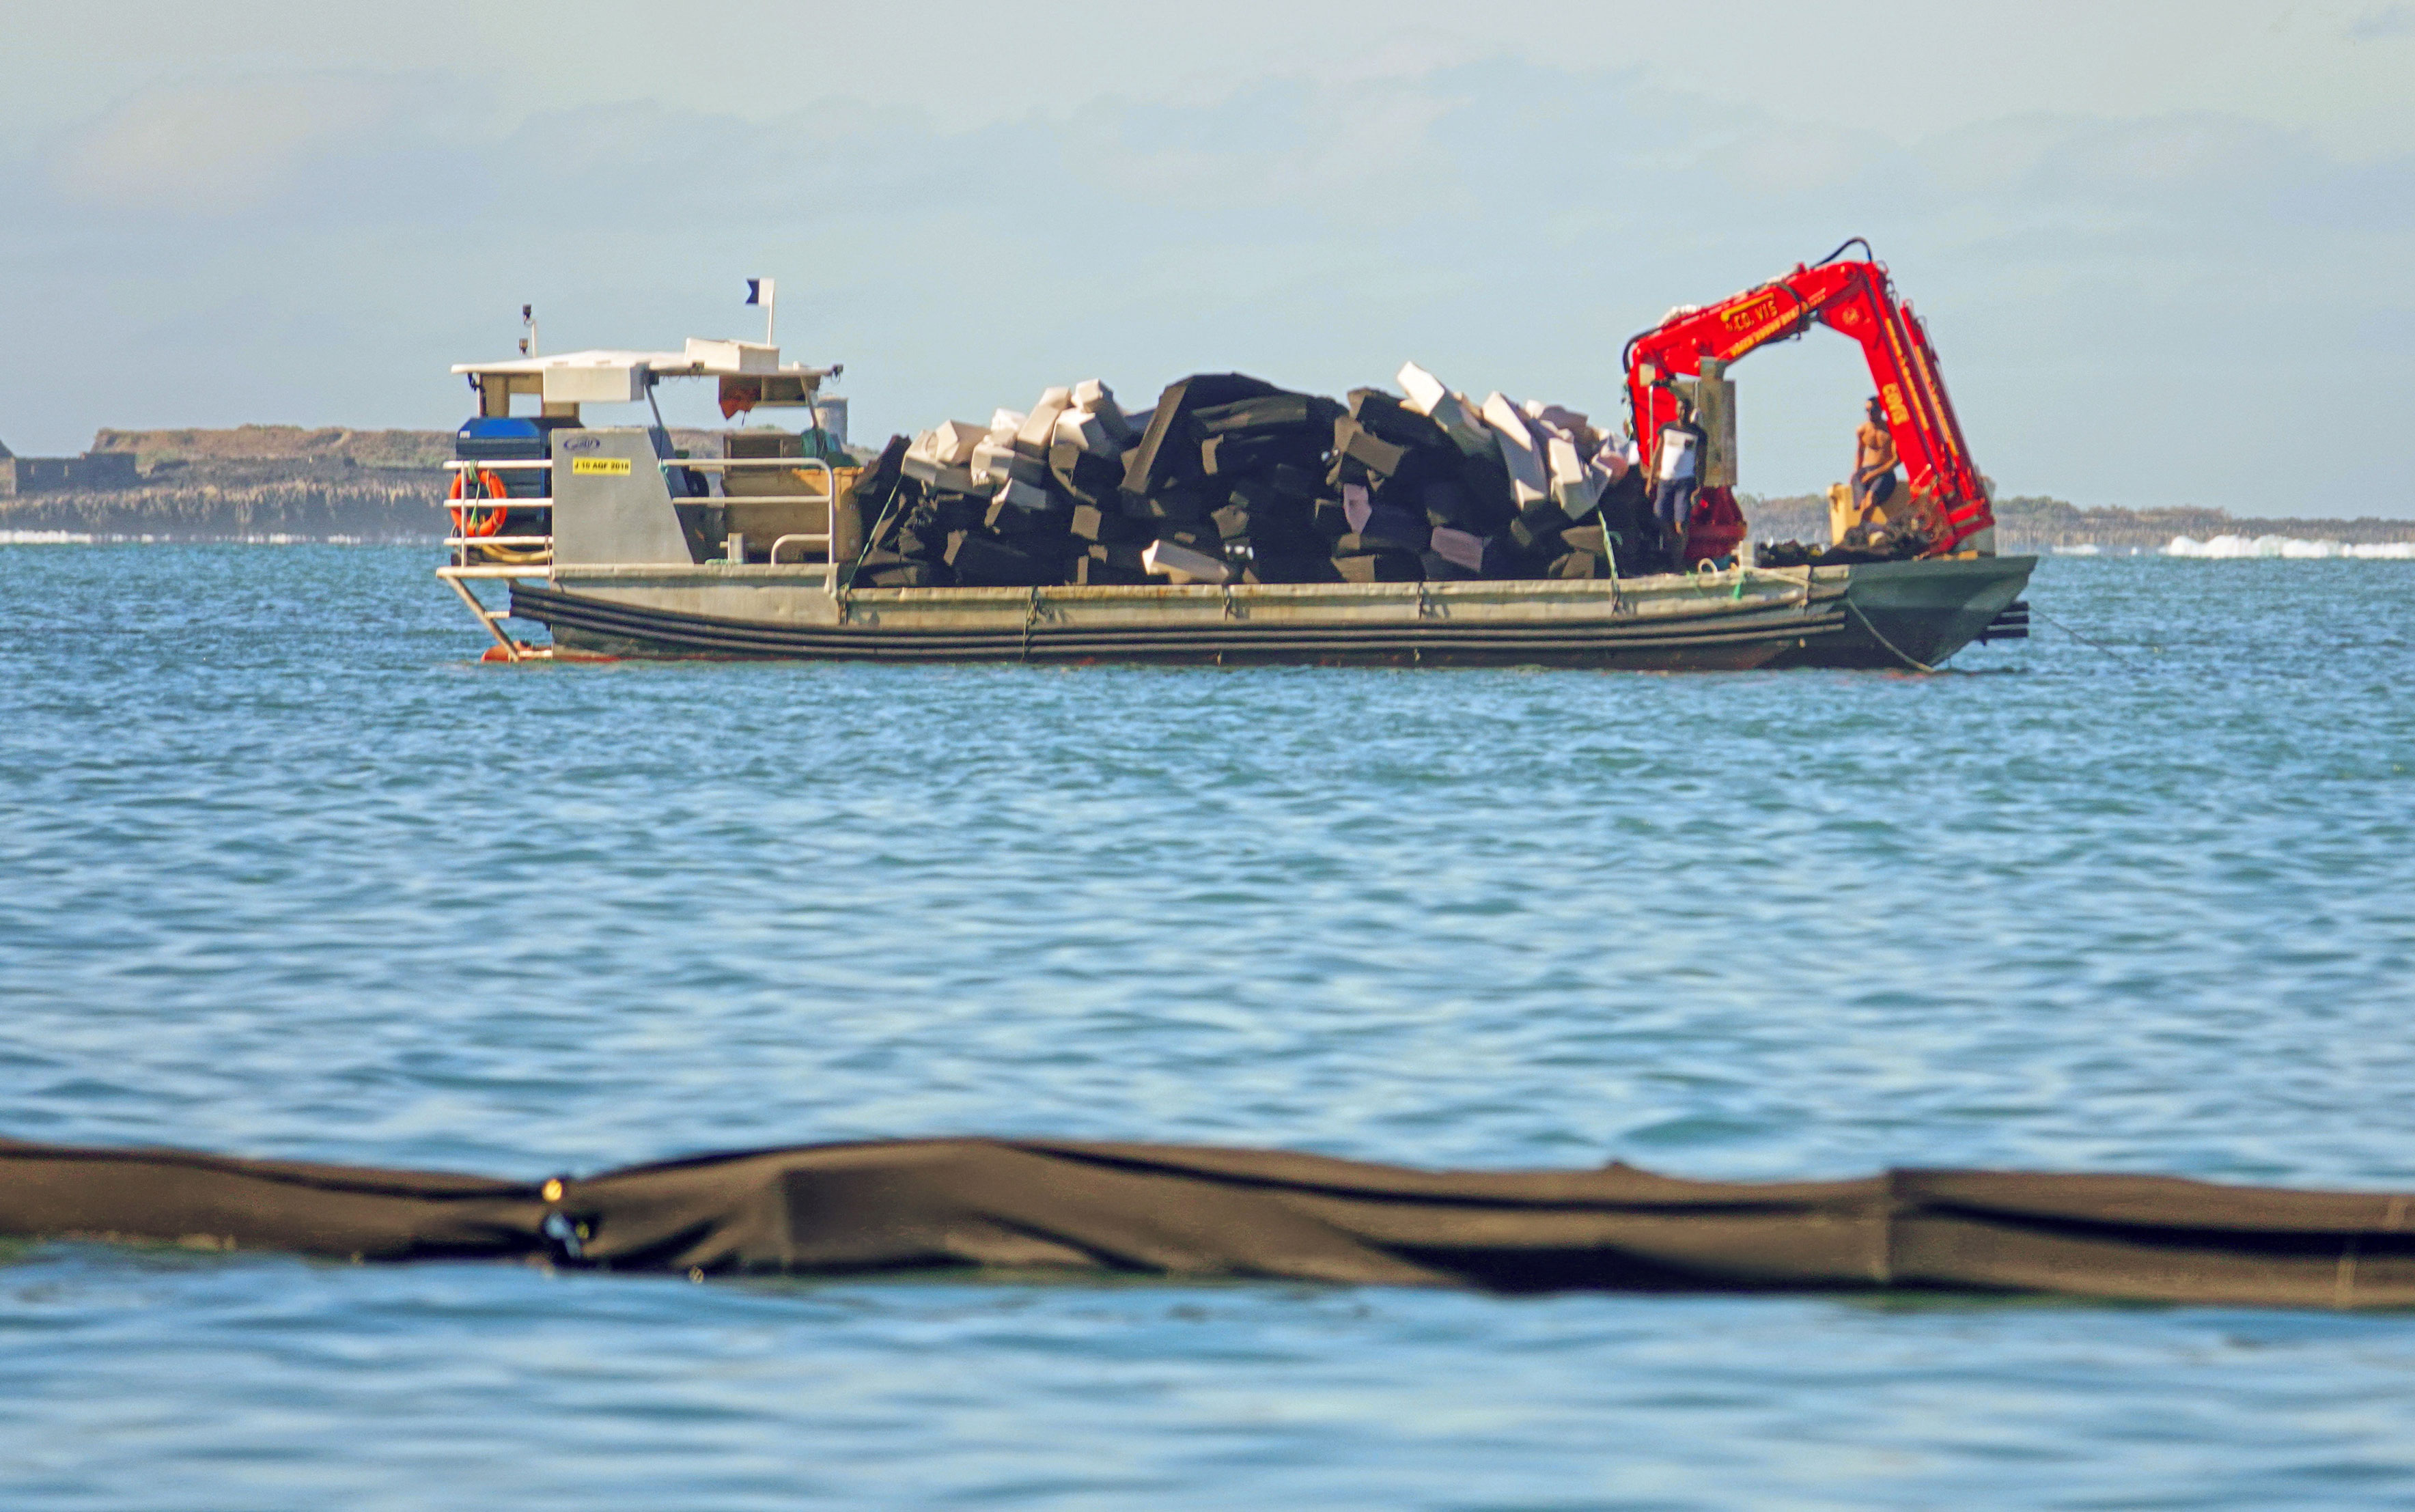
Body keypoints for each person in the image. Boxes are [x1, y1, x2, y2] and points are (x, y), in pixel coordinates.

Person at [1652, 397, 1704, 557]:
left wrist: (1700, 487)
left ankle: (1679, 561)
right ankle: (1672, 552)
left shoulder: (1698, 434)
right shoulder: (1666, 429)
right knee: (1660, 517)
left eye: (1686, 410)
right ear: (1676, 410)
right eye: (1680, 409)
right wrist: (1651, 479)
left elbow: (1701, 461)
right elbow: (1658, 454)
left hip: (1685, 481)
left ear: (1690, 413)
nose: (1682, 413)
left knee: (1681, 524)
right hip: (1665, 481)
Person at [1851, 396, 1900, 524]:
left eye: (1872, 410)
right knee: (1863, 501)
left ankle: (1862, 528)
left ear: (1881, 410)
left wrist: (1874, 474)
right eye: (1866, 411)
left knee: (1871, 498)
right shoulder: (1862, 430)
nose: (1869, 414)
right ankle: (1865, 527)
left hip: (1885, 471)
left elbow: (1897, 460)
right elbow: (1860, 452)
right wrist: (1857, 472)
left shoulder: (1891, 429)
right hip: (1866, 470)